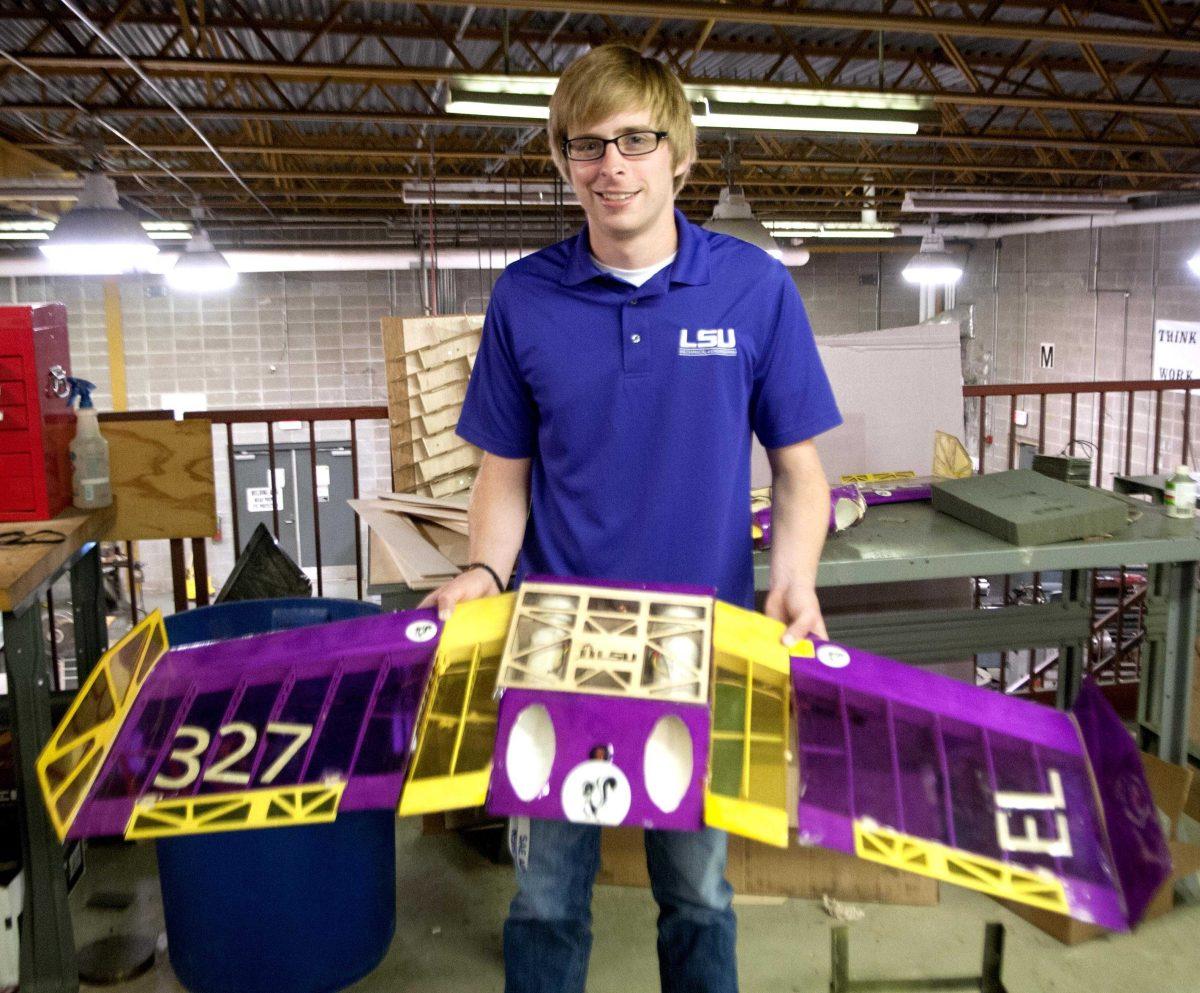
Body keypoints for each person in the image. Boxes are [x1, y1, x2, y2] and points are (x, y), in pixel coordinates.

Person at [420, 43, 842, 993]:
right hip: (553, 648)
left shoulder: (752, 289)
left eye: (636, 140)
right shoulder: (525, 297)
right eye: (587, 144)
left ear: (678, 154)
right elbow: (504, 471)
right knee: (546, 900)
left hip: (703, 647)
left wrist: (794, 575)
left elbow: (801, 472)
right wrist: (487, 572)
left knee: (698, 895)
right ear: (564, 161)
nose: (612, 164)